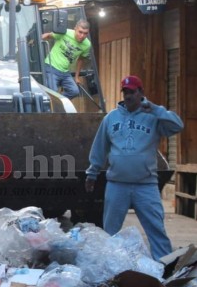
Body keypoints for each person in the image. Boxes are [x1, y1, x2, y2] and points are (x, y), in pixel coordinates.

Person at [85, 75, 184, 261]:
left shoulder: (153, 117)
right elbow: (100, 147)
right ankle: (107, 267)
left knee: (156, 229)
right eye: (126, 92)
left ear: (141, 93)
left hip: (145, 185)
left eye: (132, 92)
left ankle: (166, 269)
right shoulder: (111, 118)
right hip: (117, 184)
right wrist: (92, 172)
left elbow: (177, 125)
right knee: (110, 231)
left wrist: (155, 109)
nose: (128, 96)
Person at [42, 19, 91, 100]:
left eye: (85, 33)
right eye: (80, 32)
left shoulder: (87, 45)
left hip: (65, 72)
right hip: (51, 67)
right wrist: (36, 39)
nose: (82, 36)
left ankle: (59, 104)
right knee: (52, 92)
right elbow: (49, 36)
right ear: (75, 29)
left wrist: (76, 77)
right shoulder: (65, 33)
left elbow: (81, 59)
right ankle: (54, 106)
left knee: (74, 91)